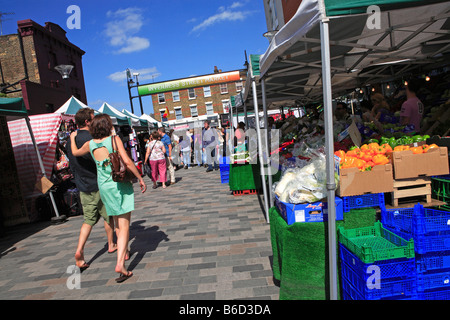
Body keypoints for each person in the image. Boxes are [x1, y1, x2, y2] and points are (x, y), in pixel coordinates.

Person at [70, 114, 146, 283]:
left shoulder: (90, 144)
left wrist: (72, 136)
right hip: (118, 184)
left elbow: (75, 152)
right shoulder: (113, 140)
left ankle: (123, 252)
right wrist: (140, 178)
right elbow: (126, 161)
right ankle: (120, 264)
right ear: (108, 126)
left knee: (117, 222)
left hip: (103, 187)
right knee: (124, 224)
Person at [66, 108, 116, 271]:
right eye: (93, 119)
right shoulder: (93, 139)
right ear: (87, 122)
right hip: (99, 183)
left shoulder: (70, 141)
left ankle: (79, 250)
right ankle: (111, 244)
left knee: (88, 220)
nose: (94, 121)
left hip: (82, 186)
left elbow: (72, 162)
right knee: (108, 216)